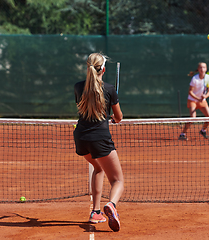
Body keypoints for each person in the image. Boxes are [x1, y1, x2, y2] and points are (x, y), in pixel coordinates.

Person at [74, 53, 124, 232]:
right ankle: (111, 205)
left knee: (98, 168)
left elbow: (86, 109)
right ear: (103, 69)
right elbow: (118, 117)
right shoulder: (110, 89)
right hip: (100, 139)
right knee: (118, 181)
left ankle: (96, 212)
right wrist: (115, 117)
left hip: (81, 139)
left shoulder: (78, 87)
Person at [179, 62, 209, 140]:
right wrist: (197, 99)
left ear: (206, 69)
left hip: (202, 101)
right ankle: (182, 134)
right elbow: (190, 92)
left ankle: (203, 130)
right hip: (192, 100)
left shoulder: (208, 78)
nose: (202, 69)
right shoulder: (195, 79)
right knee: (193, 118)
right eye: (200, 68)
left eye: (204, 68)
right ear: (198, 69)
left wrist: (205, 96)